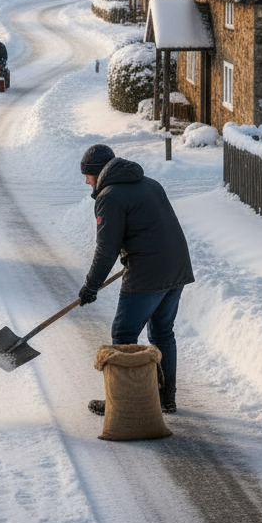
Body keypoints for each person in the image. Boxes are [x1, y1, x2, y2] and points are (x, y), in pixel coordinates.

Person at [77, 143, 193, 414]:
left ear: (97, 172)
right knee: (163, 332)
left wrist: (91, 286)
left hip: (147, 273)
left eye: (87, 175)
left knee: (124, 334)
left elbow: (106, 250)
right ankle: (166, 399)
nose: (86, 181)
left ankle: (123, 402)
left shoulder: (110, 196)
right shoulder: (150, 183)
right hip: (177, 267)